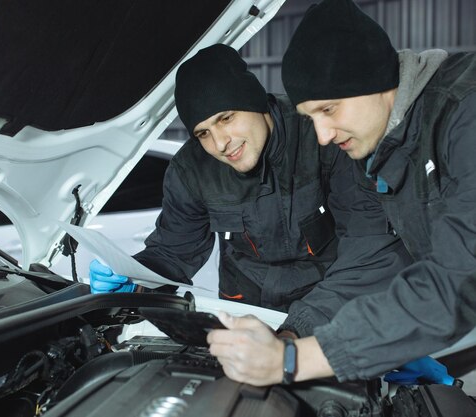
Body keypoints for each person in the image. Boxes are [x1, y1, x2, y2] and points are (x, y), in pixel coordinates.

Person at [207, 0, 476, 387]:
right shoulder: (386, 146)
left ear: (374, 80)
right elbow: (371, 261)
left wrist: (298, 361)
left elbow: (461, 276)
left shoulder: (464, 112)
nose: (323, 136)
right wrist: (292, 335)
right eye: (310, 118)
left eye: (329, 110)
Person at [89, 43, 409, 316]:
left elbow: (367, 241)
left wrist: (316, 329)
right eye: (203, 133)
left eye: (225, 119)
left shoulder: (321, 137)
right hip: (246, 313)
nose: (220, 143)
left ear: (254, 102)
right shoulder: (191, 170)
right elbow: (174, 253)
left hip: (330, 308)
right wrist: (134, 278)